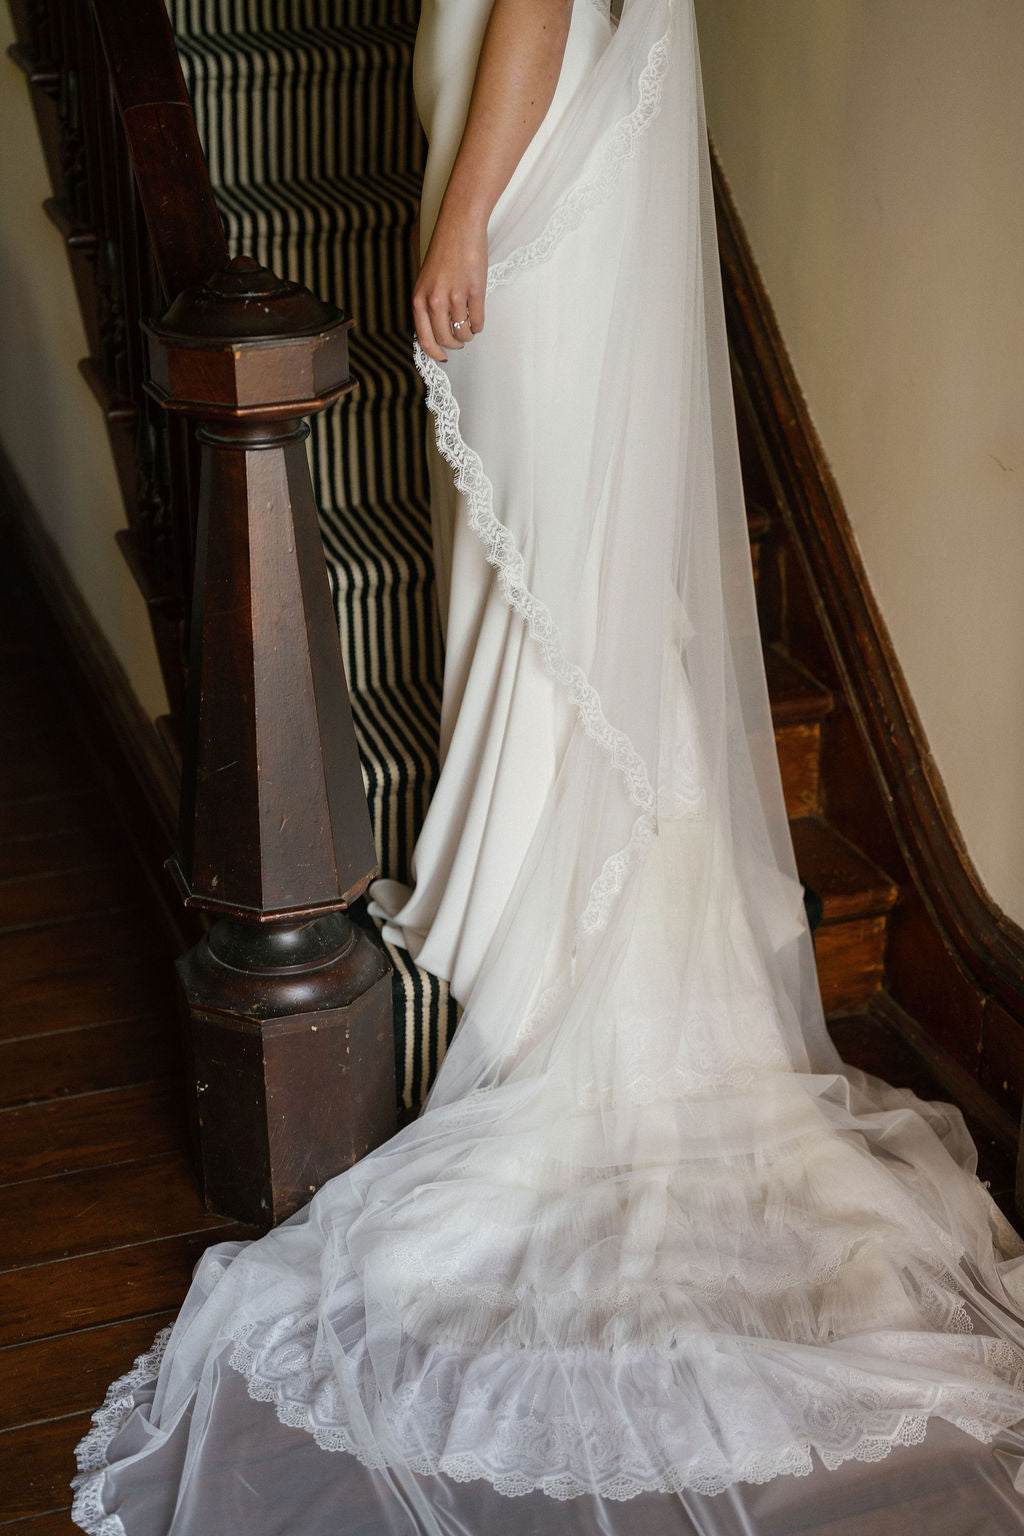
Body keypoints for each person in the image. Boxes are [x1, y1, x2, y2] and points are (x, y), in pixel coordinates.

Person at [73, 3, 1024, 1534]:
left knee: (546, 588)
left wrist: (461, 227)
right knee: (562, 589)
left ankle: (560, 936)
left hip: (539, 193)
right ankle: (561, 891)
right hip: (573, 172)